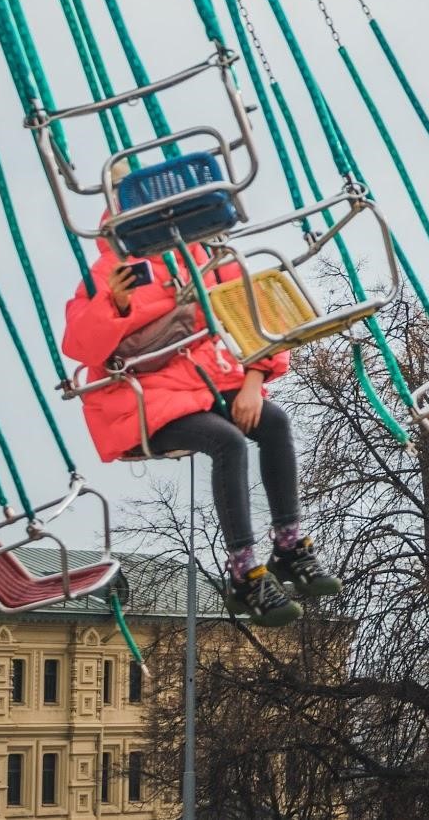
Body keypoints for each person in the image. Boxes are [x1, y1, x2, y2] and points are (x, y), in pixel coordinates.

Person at [60, 239, 340, 628]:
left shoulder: (203, 255)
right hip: (142, 398)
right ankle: (243, 570)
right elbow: (80, 344)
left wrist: (253, 381)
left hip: (205, 382)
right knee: (226, 441)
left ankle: (288, 543)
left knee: (274, 422)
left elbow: (256, 313)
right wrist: (117, 305)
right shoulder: (107, 270)